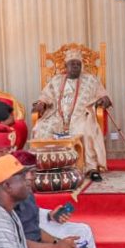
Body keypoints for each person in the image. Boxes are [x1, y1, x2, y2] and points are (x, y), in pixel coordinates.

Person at [31, 49, 112, 181]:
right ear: (66, 66)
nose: (75, 66)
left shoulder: (90, 80)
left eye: (78, 64)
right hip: (56, 116)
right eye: (72, 64)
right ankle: (47, 165)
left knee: (86, 129)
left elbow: (104, 96)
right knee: (41, 128)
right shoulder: (56, 80)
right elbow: (45, 96)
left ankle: (90, 168)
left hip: (80, 116)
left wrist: (103, 100)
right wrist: (41, 104)